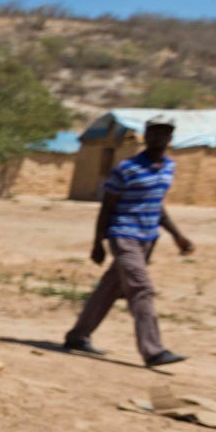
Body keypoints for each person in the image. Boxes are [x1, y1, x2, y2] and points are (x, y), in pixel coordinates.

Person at [63, 117, 194, 366]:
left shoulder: (168, 167)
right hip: (123, 235)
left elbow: (156, 207)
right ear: (146, 135)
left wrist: (177, 235)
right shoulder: (127, 168)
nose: (159, 138)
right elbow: (107, 207)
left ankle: (78, 335)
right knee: (141, 288)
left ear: (170, 138)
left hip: (147, 238)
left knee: (110, 289)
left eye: (164, 134)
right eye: (154, 133)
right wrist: (97, 242)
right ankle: (153, 350)